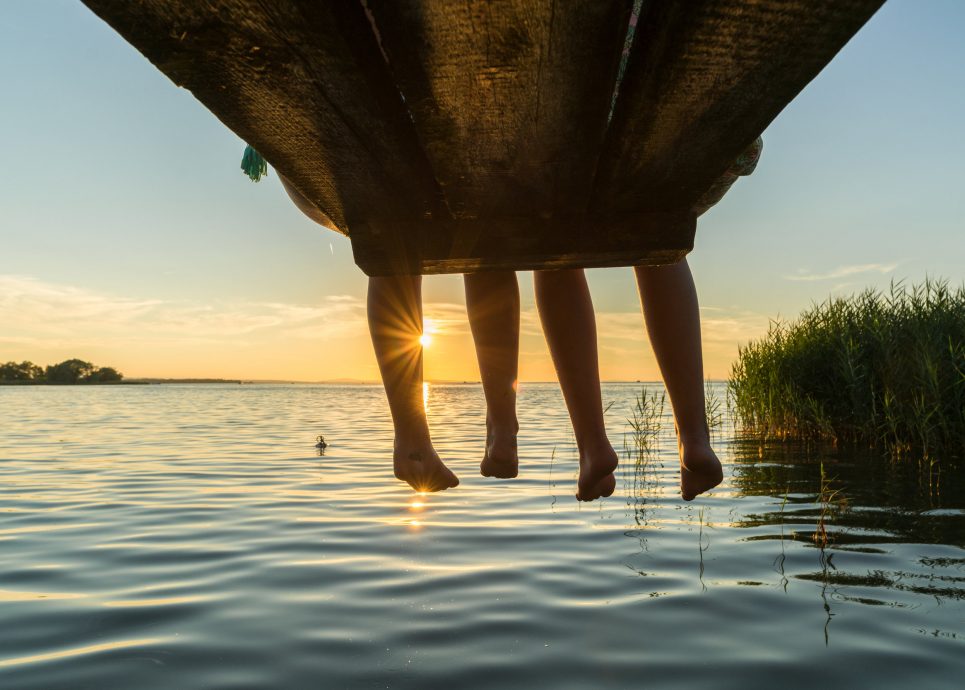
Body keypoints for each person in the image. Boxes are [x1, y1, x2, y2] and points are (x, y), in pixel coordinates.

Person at [533, 138, 763, 502]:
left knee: (551, 241)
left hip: (566, 154)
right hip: (686, 144)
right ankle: (694, 439)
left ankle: (592, 446)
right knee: (654, 224)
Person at [279, 176, 521, 493]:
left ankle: (412, 439)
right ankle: (502, 427)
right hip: (478, 174)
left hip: (371, 174)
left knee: (391, 229)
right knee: (485, 233)